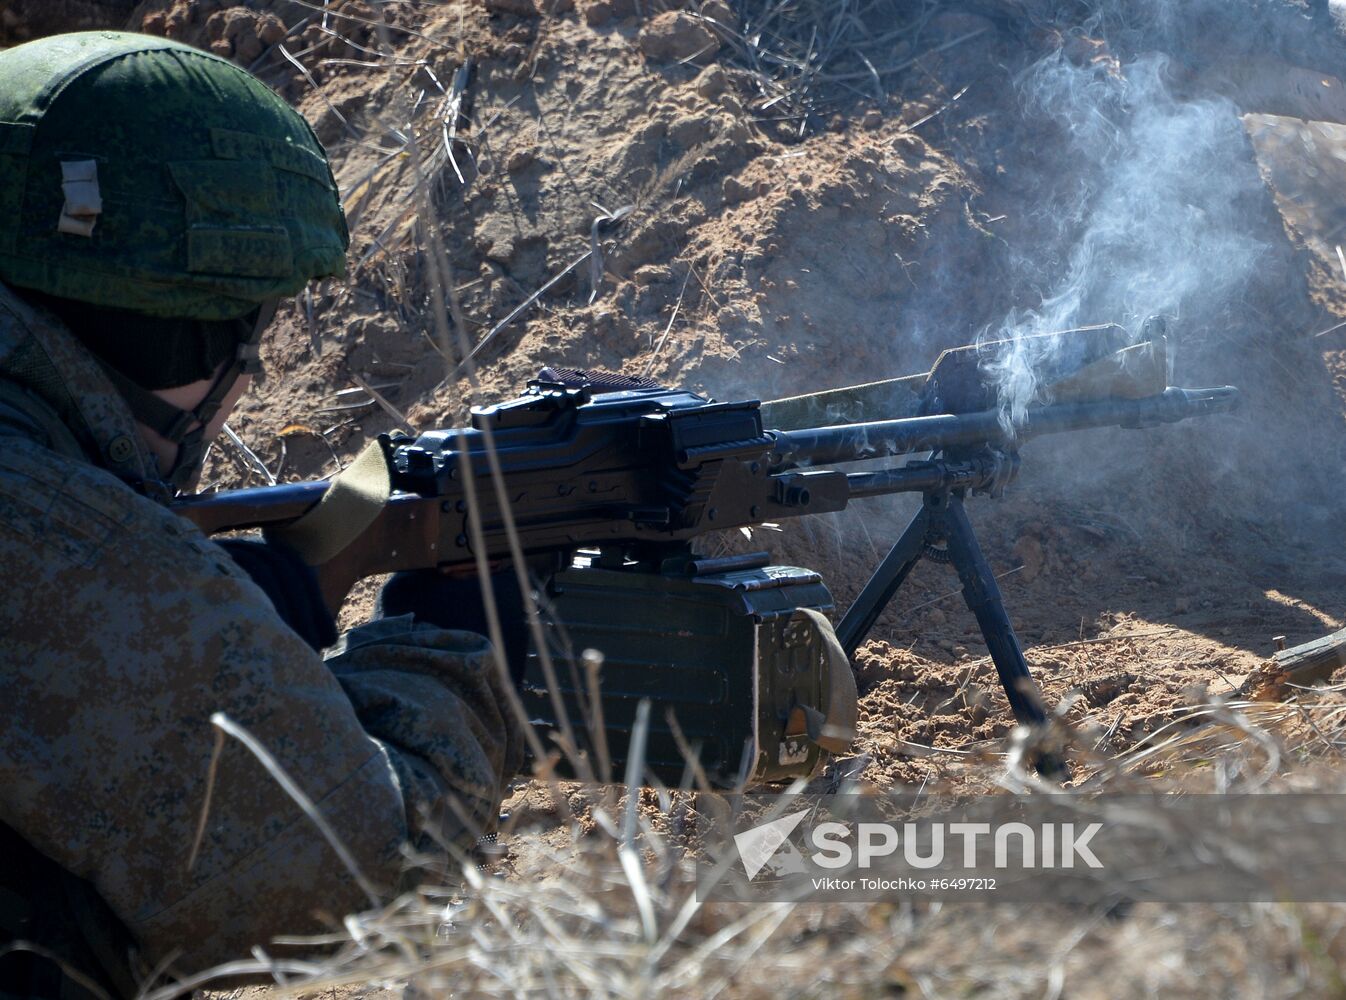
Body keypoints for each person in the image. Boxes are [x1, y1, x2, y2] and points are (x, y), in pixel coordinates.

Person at [0, 30, 524, 998]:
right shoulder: (64, 542)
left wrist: (235, 619)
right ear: (192, 336)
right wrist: (443, 648)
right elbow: (355, 898)